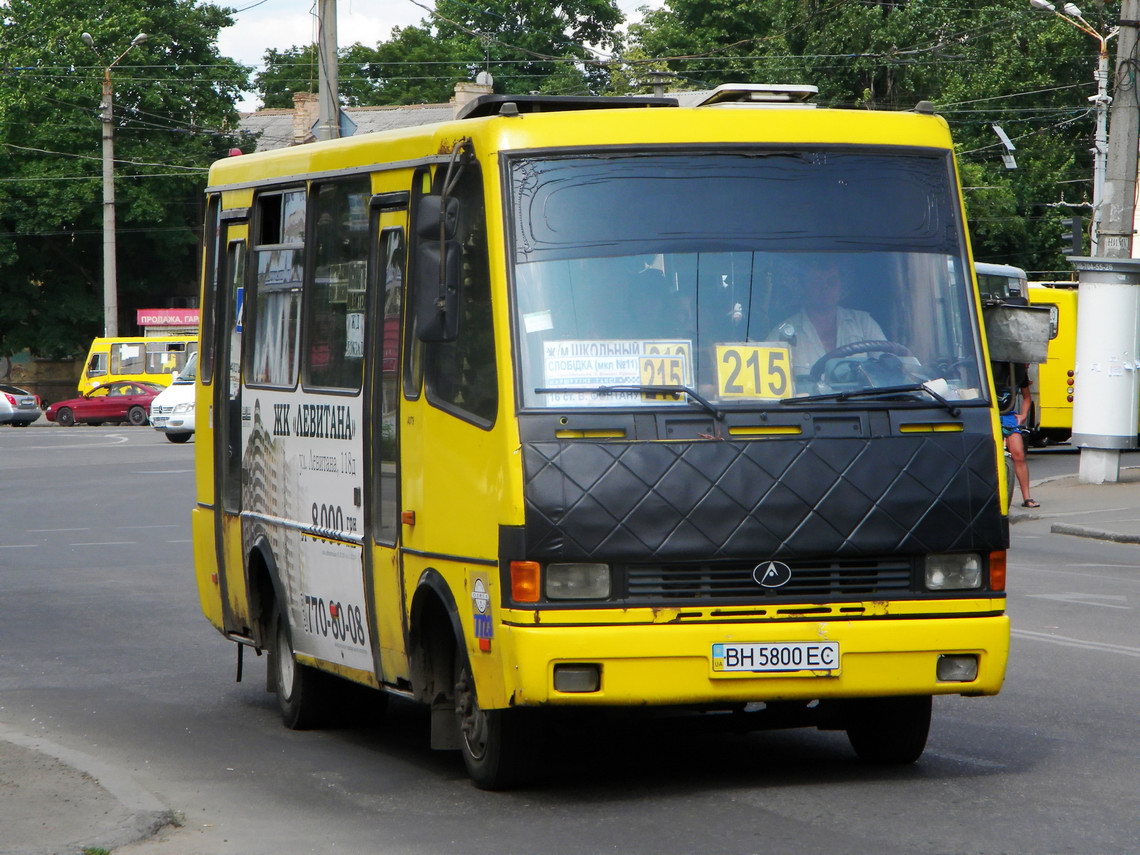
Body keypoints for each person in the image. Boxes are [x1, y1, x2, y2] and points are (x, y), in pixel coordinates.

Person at [767, 258, 886, 379]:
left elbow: (891, 368)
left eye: (831, 281)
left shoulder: (864, 324)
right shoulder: (782, 334)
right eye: (817, 282)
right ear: (803, 287)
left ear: (841, 285)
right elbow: (768, 382)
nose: (825, 288)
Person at [997, 362, 1038, 508]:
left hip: (1008, 415)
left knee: (1019, 454)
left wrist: (1023, 415)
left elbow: (1027, 398)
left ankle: (1027, 497)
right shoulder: (989, 366)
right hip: (990, 413)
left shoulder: (1019, 371)